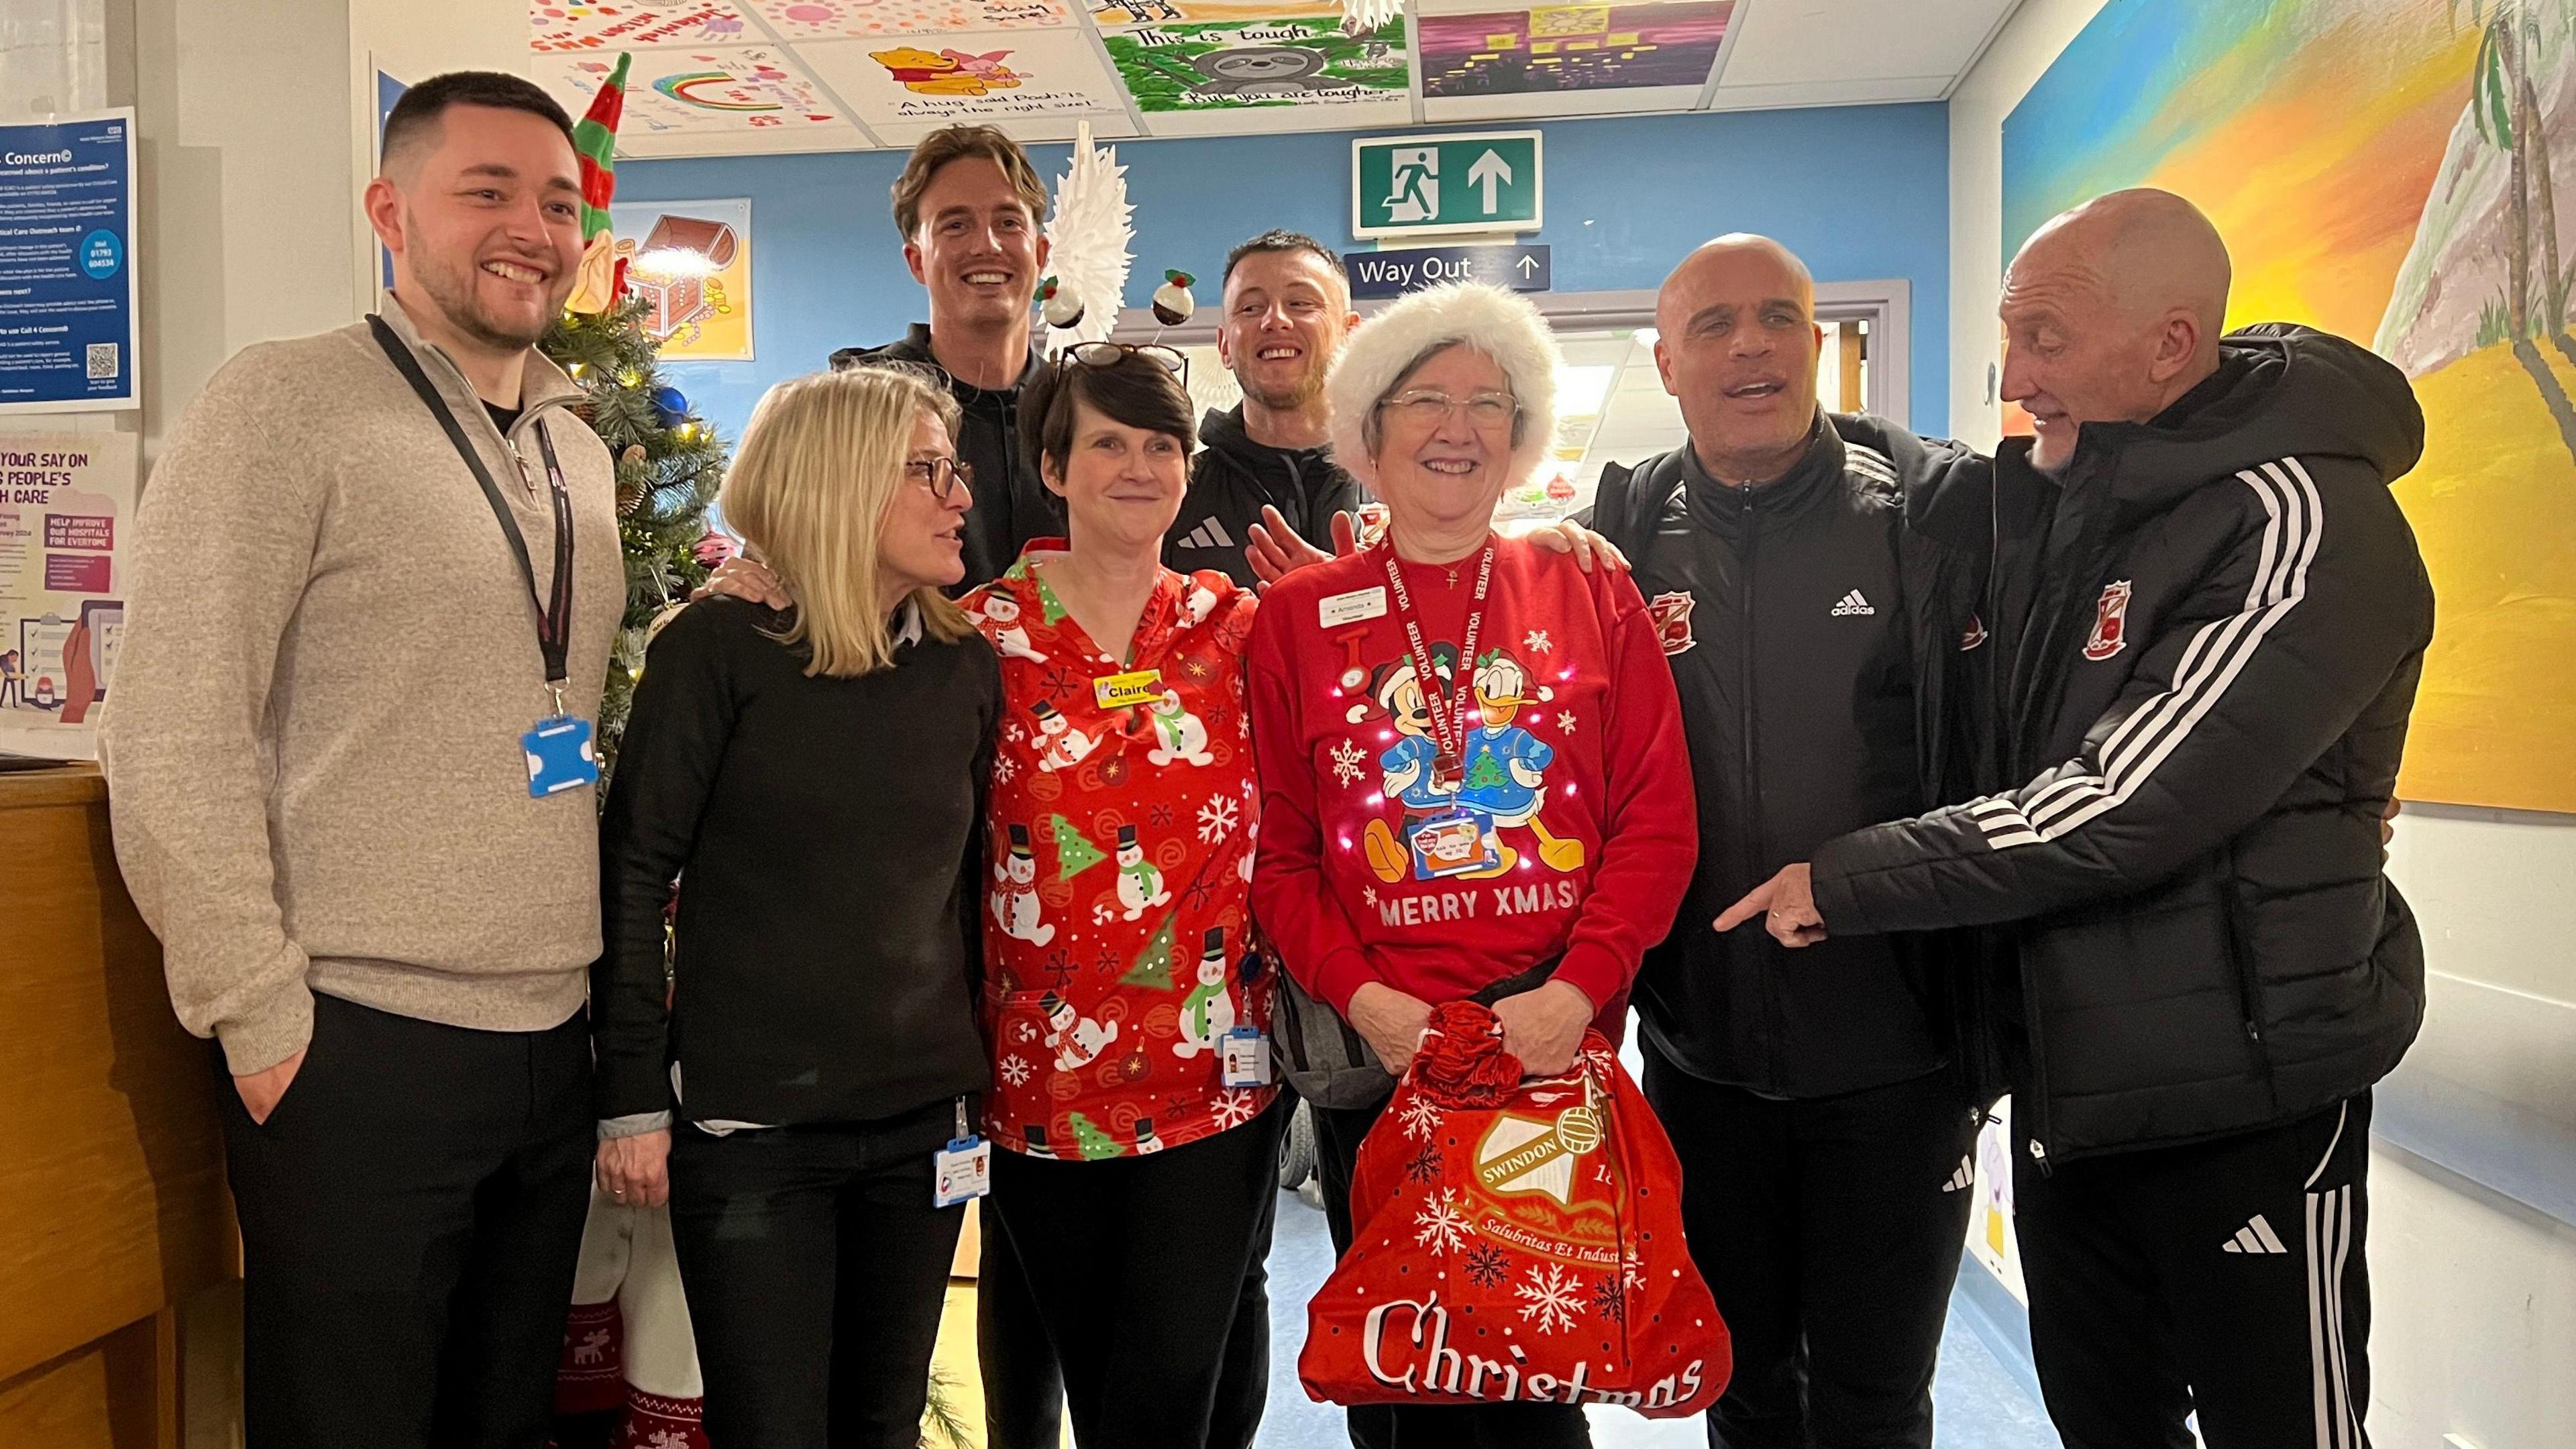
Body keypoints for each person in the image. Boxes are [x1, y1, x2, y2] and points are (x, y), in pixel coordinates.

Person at [1719, 189, 2434, 1449]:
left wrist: (1844, 879)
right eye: (2011, 337)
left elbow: (2121, 806)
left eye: (2045, 339)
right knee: (2105, 1423)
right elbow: (1882, 511)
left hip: (2246, 1096)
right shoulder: (2065, 505)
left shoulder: (2299, 519)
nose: (2017, 376)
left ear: (2169, 343)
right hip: (2074, 1088)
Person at [101, 71, 619, 1448]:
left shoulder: (576, 451)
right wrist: (257, 1013)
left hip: (548, 1038)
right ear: (391, 211)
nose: (535, 230)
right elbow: (170, 723)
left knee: (502, 1422)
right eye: (489, 192)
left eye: (559, 203)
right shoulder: (285, 404)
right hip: (356, 1047)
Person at [1248, 282, 1699, 1449]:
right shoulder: (1297, 617)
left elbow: (1658, 817)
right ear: (1370, 429)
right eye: (1427, 401)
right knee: (1400, 1381)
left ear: (1521, 431)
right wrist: (1371, 1004)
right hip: (1384, 1050)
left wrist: (1577, 991)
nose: (1458, 427)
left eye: (1487, 403)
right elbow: (1282, 856)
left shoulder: (1588, 583)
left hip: (1551, 1043)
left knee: (1534, 1375)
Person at [1579, 235, 1993, 1449]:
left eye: (1777, 319)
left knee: (1874, 1398)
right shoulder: (1624, 532)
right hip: (1704, 1062)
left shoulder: (1928, 514)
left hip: (1897, 1058)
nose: (1749, 345)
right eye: (1714, 326)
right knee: (1742, 1388)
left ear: (1819, 344)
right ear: (1667, 363)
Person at [590, 364, 1000, 1448]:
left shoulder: (961, 666)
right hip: (755, 1131)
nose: (960, 496)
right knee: (772, 1429)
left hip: (921, 1131)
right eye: (928, 472)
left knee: (882, 1424)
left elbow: (966, 890)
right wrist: (631, 1095)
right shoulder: (716, 654)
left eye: (953, 470)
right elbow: (634, 872)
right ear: (840, 483)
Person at [960, 341, 1291, 1447]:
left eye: (1164, 444)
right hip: (1040, 1091)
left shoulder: (1235, 627)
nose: (1142, 465)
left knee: (1161, 1401)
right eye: (1111, 441)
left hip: (1217, 1078)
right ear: (1054, 468)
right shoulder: (977, 637)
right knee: (1102, 1388)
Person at [833, 124, 1061, 589]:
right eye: (955, 225)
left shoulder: (1082, 410)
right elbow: (788, 556)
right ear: (917, 260)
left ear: (1040, 253)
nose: (987, 245)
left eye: (1009, 222)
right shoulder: (855, 410)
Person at [1169, 229, 1364, 585]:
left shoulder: (1405, 487)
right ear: (1225, 345)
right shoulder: (1174, 495)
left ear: (1349, 334)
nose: (1275, 320)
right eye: (1251, 308)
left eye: (1301, 303)